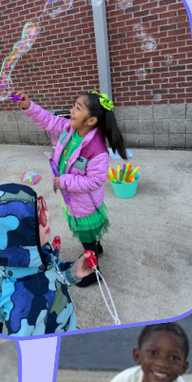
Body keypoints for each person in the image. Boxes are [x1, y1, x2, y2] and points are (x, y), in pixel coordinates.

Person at [15, 90, 128, 286]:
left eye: (77, 108)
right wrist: (28, 106)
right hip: (73, 199)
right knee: (90, 234)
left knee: (85, 234)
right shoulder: (69, 128)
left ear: (91, 120)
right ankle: (96, 247)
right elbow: (48, 120)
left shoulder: (97, 150)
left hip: (83, 203)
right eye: (74, 105)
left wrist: (64, 181)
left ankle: (93, 272)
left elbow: (94, 181)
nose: (71, 110)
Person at [0, 185, 95, 335]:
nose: (48, 214)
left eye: (42, 206)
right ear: (19, 239)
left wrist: (72, 273)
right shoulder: (23, 306)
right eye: (39, 217)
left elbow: (50, 277)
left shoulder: (28, 260)